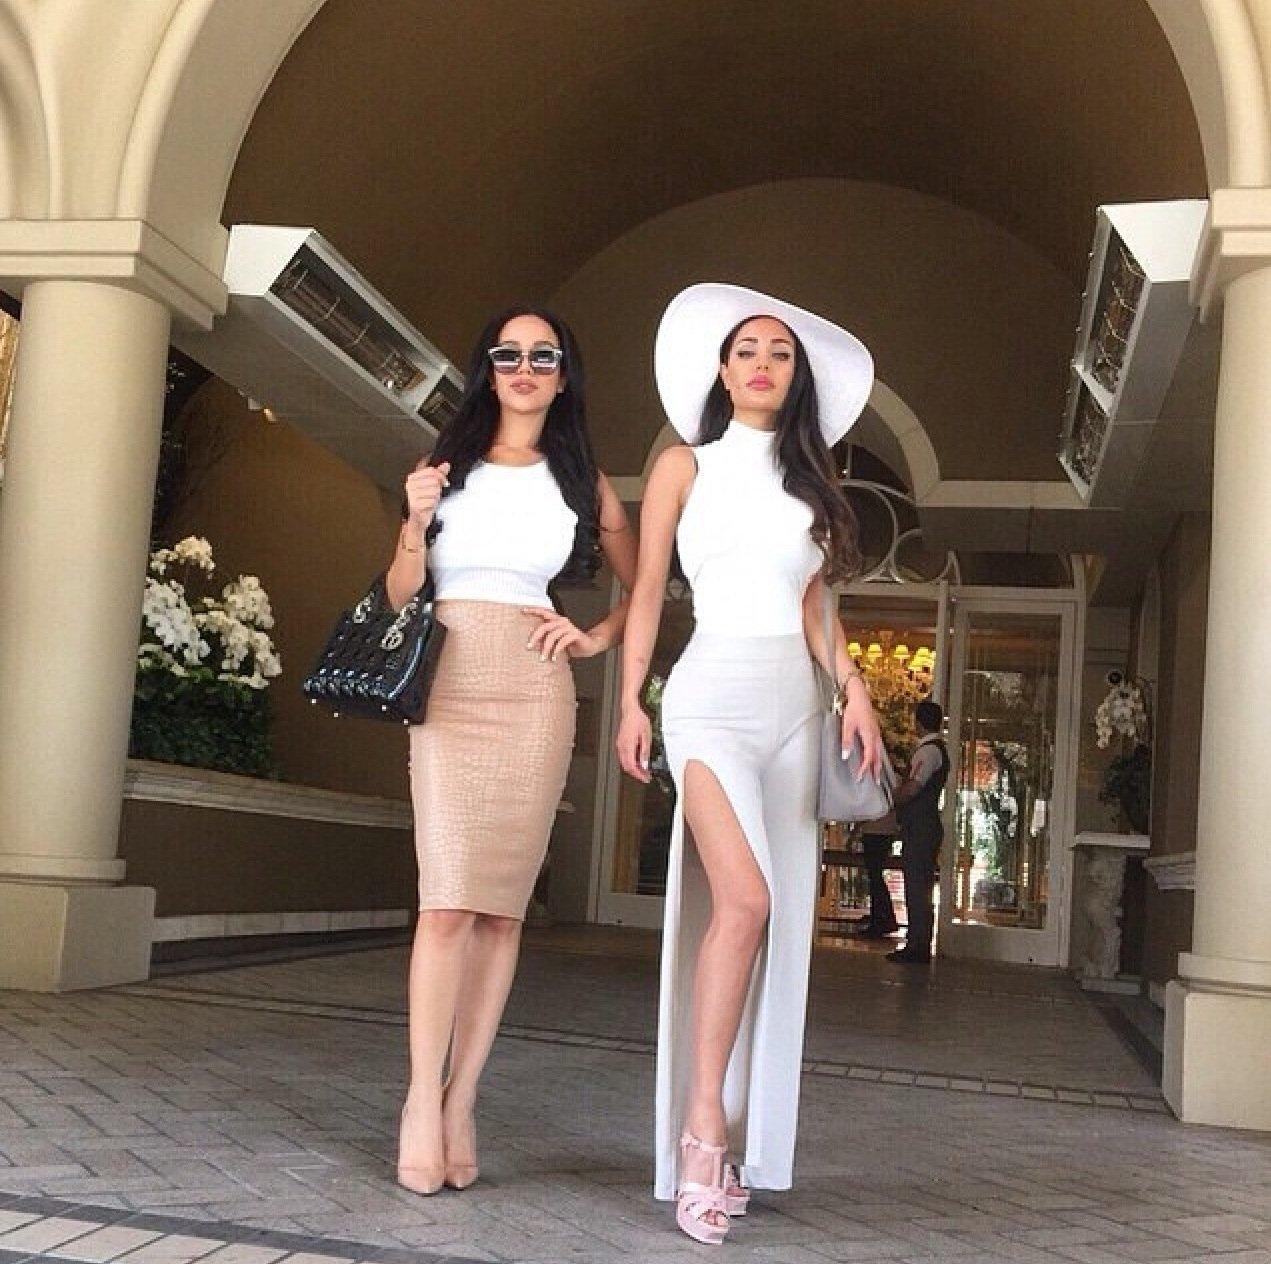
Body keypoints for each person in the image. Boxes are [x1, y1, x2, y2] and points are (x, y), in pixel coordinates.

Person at [617, 283, 885, 1245]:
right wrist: (630, 699)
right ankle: (701, 1130)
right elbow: (649, 588)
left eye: (778, 352)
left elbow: (815, 606)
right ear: (721, 372)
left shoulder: (813, 483)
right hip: (708, 703)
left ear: (794, 377)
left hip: (795, 712)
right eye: (746, 350)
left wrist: (854, 686)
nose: (762, 363)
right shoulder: (682, 465)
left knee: (778, 922)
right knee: (745, 901)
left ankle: (743, 1139)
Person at [386, 306, 637, 1195]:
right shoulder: (443, 468)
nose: (524, 368)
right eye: (508, 354)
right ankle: (419, 1102)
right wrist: (413, 523)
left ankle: (461, 1101)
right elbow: (399, 592)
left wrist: (595, 637)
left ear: (564, 376)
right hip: (450, 681)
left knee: (500, 912)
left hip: (535, 689)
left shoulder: (583, 483)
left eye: (543, 356)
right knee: (445, 903)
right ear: (487, 369)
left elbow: (647, 588)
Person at [887, 700, 950, 964]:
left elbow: (914, 787)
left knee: (916, 885)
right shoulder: (936, 750)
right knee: (919, 883)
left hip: (921, 825)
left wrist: (892, 798)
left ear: (919, 723)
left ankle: (917, 945)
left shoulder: (928, 752)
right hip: (924, 824)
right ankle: (918, 941)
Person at [850, 809, 901, 938]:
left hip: (874, 831)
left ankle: (881, 920)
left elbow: (867, 808)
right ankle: (883, 918)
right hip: (887, 829)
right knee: (876, 878)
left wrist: (855, 832)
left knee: (875, 879)